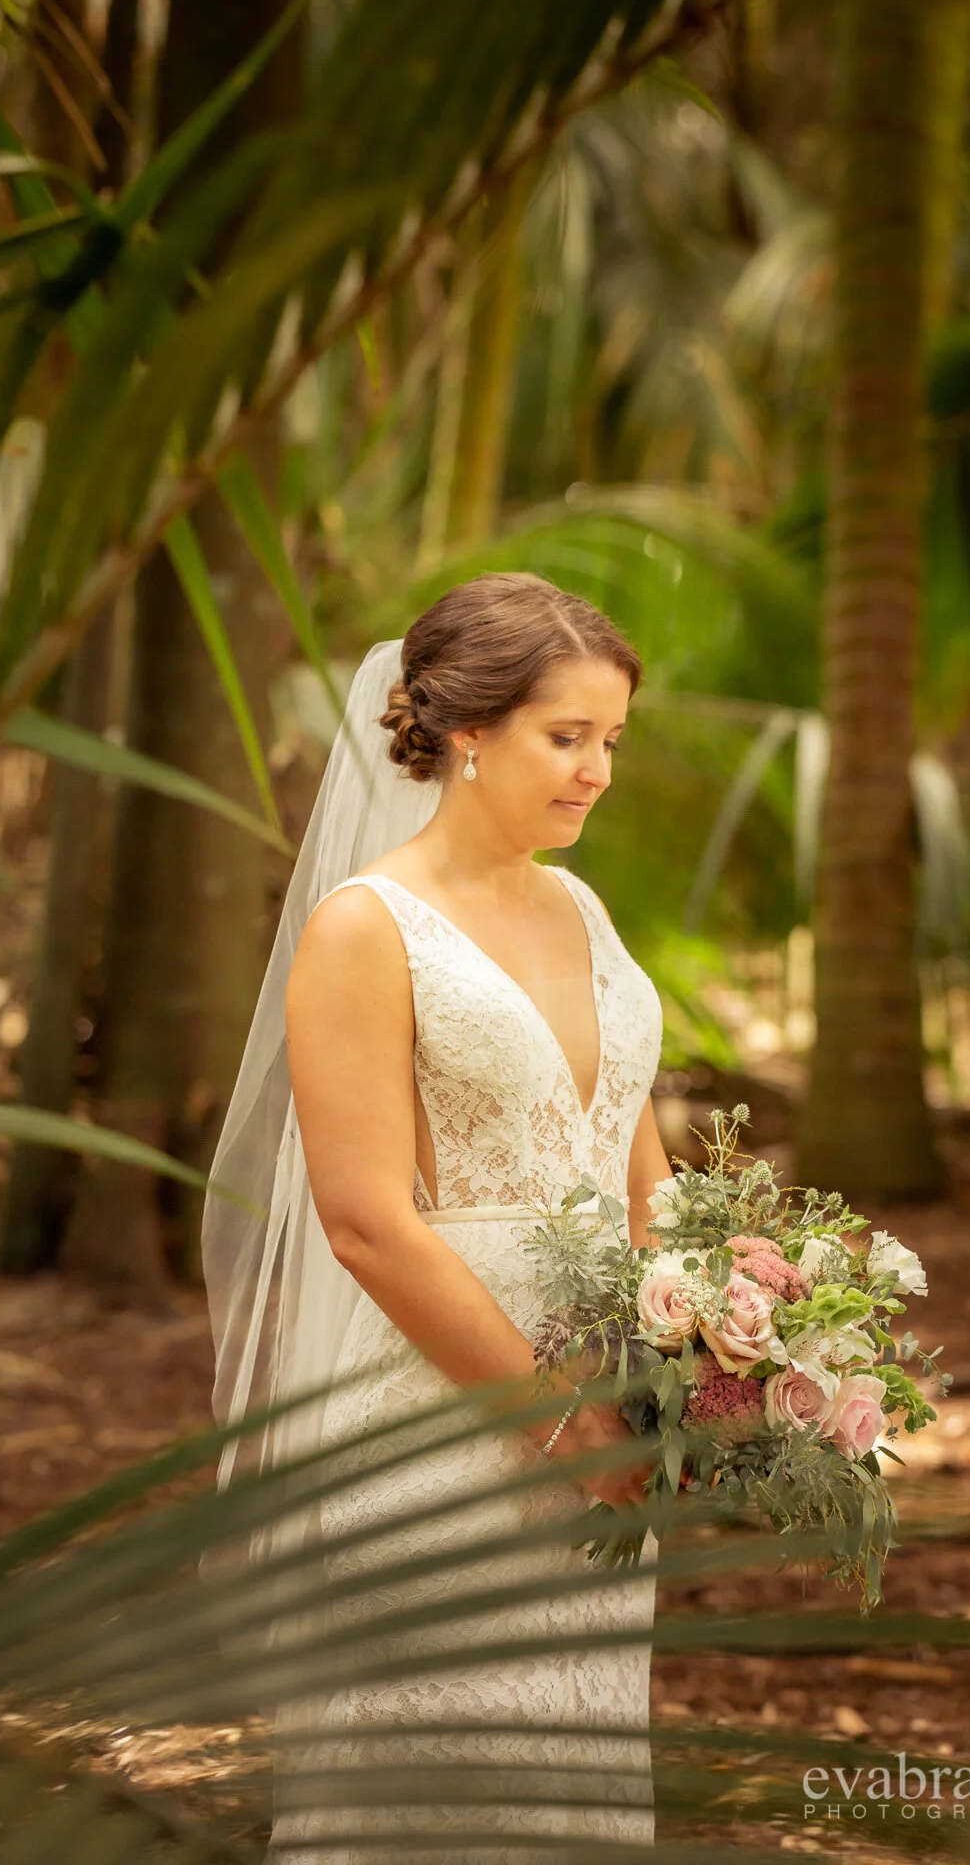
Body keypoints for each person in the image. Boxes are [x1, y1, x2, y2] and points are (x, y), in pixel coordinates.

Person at [203, 572, 672, 1860]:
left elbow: (640, 1165)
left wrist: (711, 1362)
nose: (597, 774)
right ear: (467, 733)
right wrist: (559, 1419)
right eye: (565, 738)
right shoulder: (368, 929)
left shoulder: (582, 911)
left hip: (604, 1424)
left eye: (611, 742)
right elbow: (364, 1222)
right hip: (446, 1419)